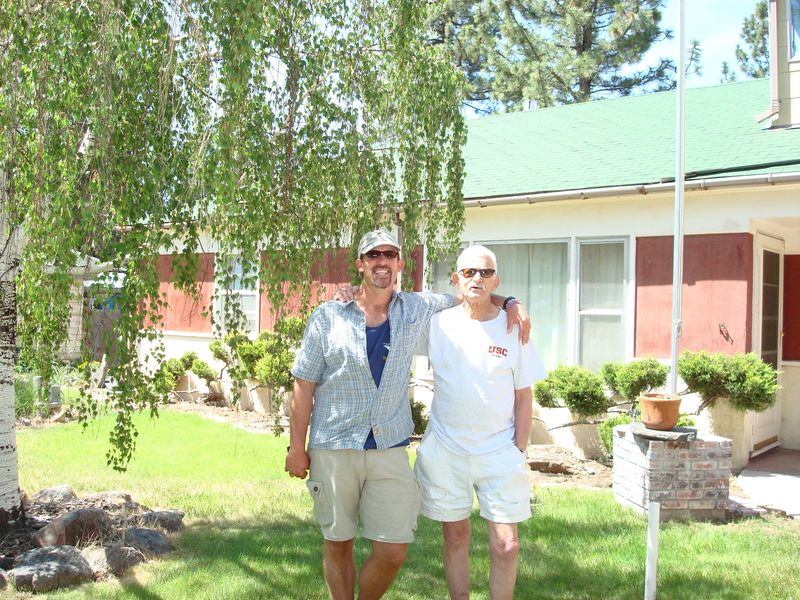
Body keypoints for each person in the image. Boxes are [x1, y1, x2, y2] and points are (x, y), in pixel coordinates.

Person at [285, 230, 530, 600]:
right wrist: (295, 447)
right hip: (334, 445)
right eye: (372, 255)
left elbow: (470, 292)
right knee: (338, 542)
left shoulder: (417, 308)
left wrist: (509, 301)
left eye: (389, 254)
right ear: (361, 264)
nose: (381, 261)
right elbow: (303, 385)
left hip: (388, 447)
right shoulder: (328, 316)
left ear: (400, 264)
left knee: (392, 550)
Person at [413, 244, 546, 600]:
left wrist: (518, 448)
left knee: (507, 545)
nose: (477, 278)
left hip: (500, 452)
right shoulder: (438, 324)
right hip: (447, 449)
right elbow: (387, 309)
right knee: (455, 538)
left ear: (496, 280)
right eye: (469, 272)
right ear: (455, 278)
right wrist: (349, 293)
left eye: (485, 272)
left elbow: (523, 395)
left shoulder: (514, 326)